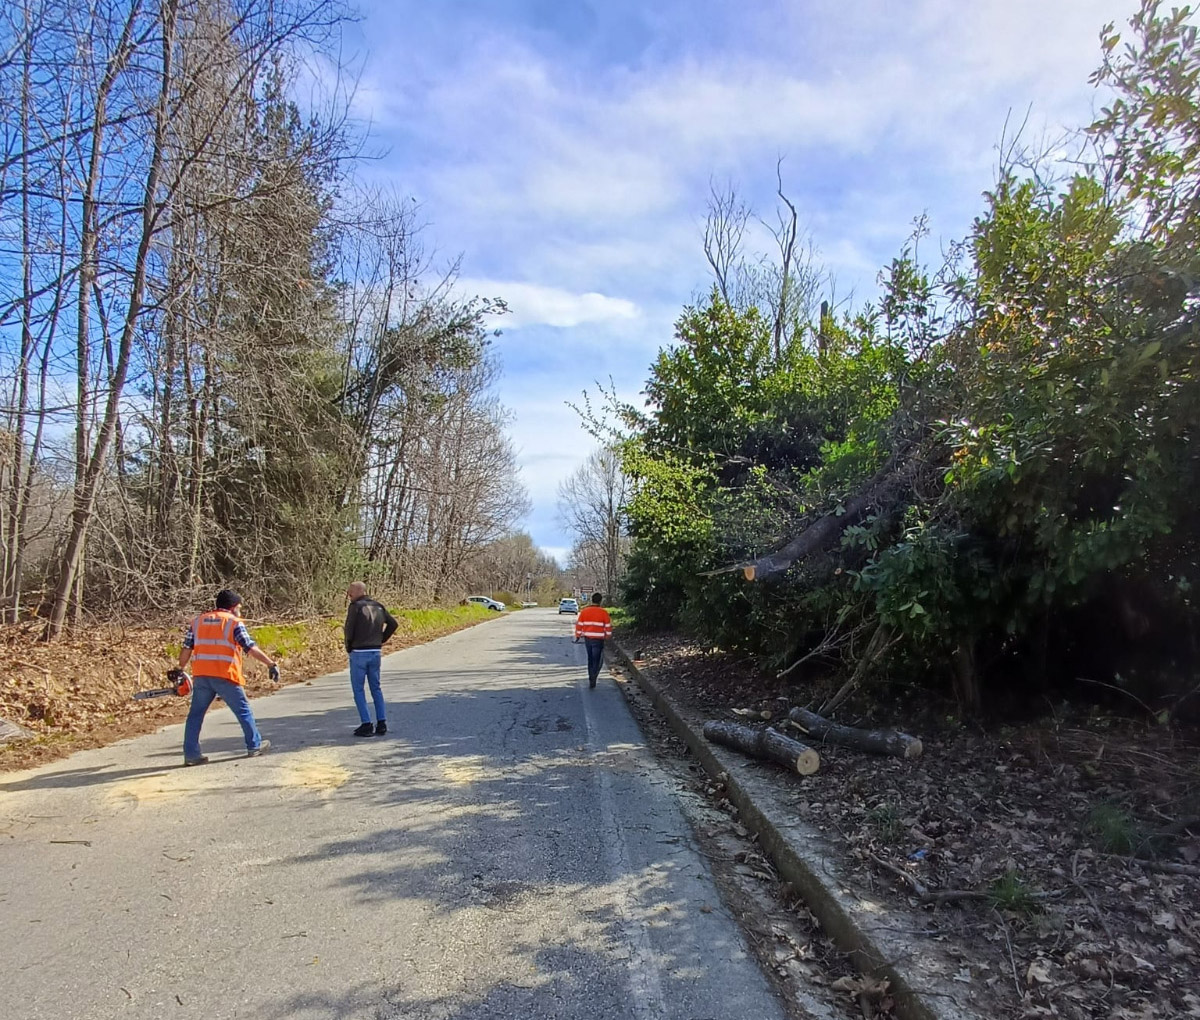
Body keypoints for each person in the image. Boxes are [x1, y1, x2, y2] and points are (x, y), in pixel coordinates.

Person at [179, 589, 280, 766]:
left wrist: (179, 669)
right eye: (239, 608)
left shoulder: (198, 622)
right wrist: (270, 664)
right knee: (243, 711)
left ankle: (191, 755)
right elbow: (250, 647)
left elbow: (187, 649)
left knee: (195, 715)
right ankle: (254, 746)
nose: (240, 611)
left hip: (202, 676)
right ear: (233, 607)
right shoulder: (233, 622)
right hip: (225, 675)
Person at [344, 581, 399, 736]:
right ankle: (382, 723)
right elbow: (393, 624)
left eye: (351, 592)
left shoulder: (355, 607)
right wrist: (381, 639)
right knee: (376, 687)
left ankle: (366, 724)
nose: (349, 595)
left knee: (358, 689)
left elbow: (349, 629)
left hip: (359, 652)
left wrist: (349, 646)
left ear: (359, 592)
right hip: (375, 652)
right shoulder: (378, 606)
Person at [573, 593, 613, 689]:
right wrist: (608, 636)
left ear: (592, 600)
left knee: (590, 658)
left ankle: (591, 676)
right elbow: (608, 626)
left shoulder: (585, 611)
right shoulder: (603, 613)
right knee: (597, 659)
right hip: (598, 639)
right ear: (600, 601)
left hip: (588, 639)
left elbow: (579, 625)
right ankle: (594, 675)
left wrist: (578, 635)